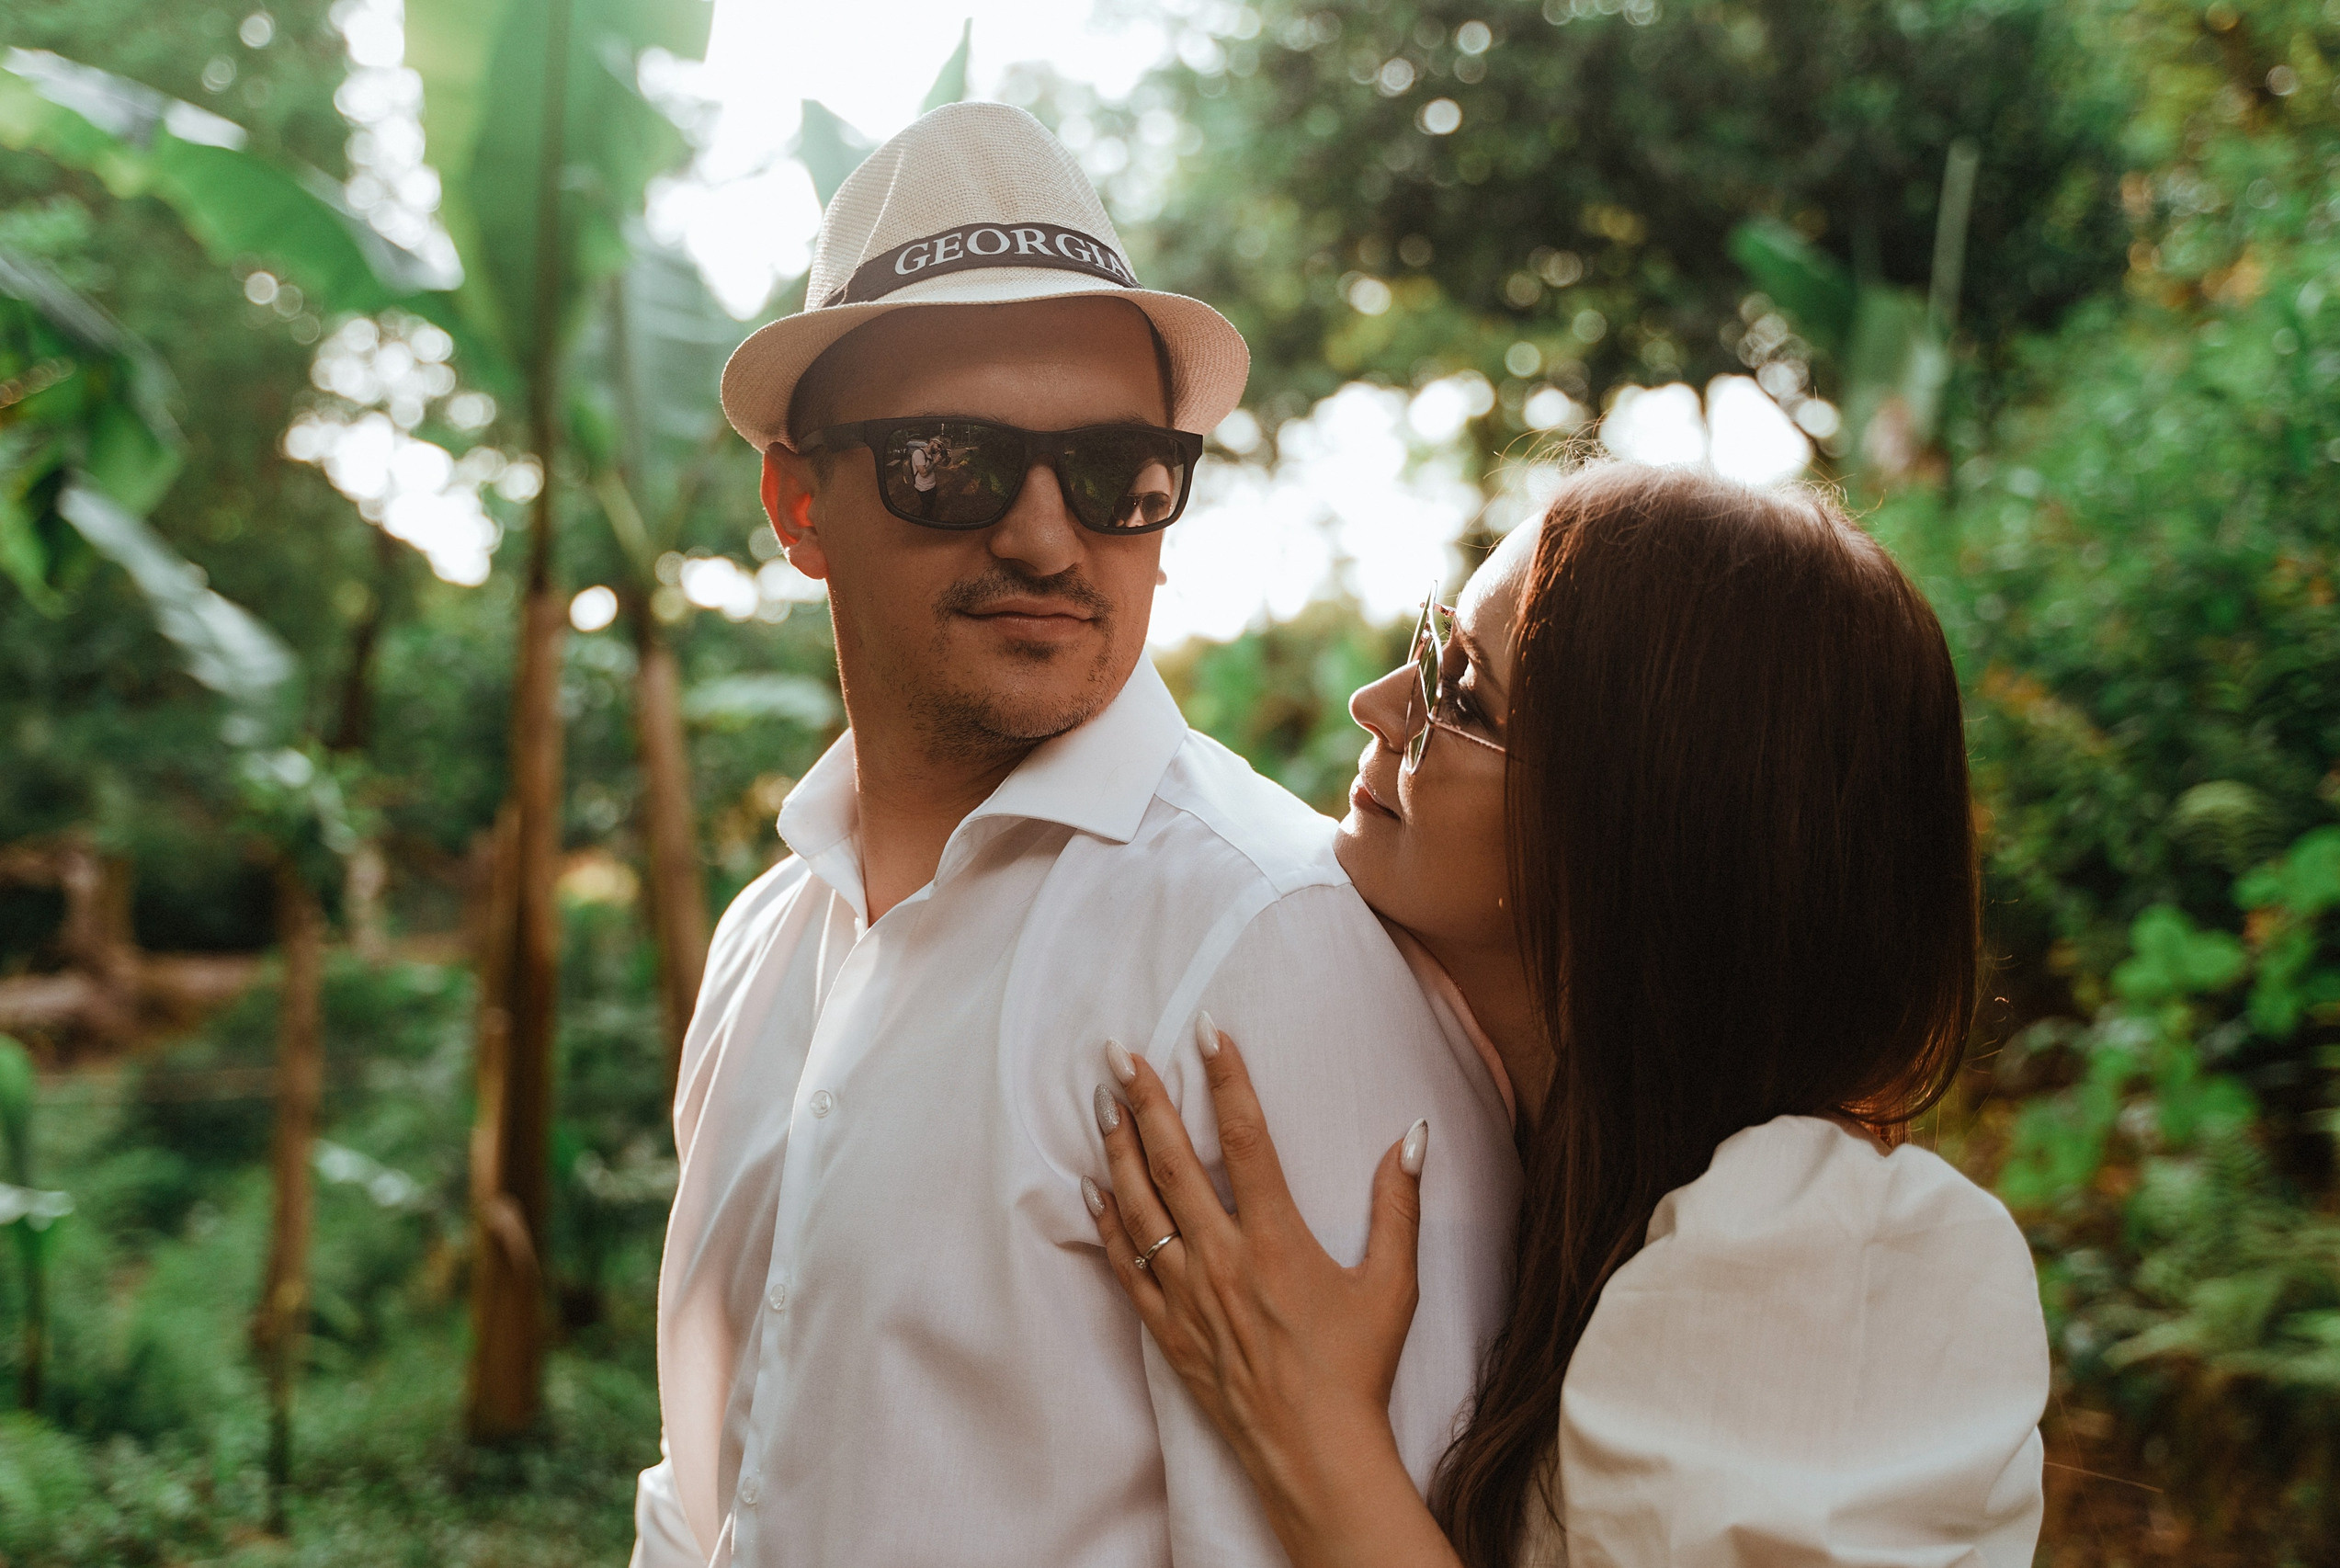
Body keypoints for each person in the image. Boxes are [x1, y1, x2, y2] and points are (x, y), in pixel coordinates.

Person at [629, 102, 1520, 1568]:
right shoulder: (763, 943)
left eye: (1118, 472)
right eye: (950, 462)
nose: (1048, 538)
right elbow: (704, 1487)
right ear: (799, 503)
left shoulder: (1266, 944)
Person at [1084, 464, 2051, 1568]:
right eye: (1432, 645)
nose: (1380, 704)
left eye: (1461, 693)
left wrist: (1313, 1431)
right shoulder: (1566, 1191)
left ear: (1647, 828)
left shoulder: (1827, 1256)